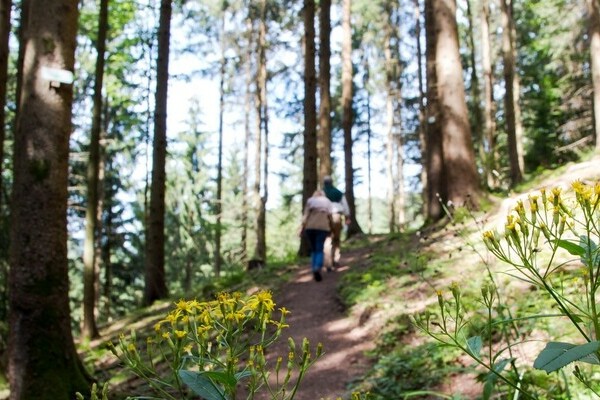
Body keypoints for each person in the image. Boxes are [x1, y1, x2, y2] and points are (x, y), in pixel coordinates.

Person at [300, 190, 333, 282]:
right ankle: (317, 267)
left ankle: (313, 268)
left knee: (313, 249)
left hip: (310, 227)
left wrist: (302, 228)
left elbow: (305, 216)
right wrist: (332, 227)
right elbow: (330, 217)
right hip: (323, 227)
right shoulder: (327, 202)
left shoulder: (310, 201)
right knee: (319, 248)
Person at [322, 175, 350, 269]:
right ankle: (336, 260)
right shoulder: (338, 192)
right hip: (336, 216)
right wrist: (347, 216)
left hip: (325, 217)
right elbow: (345, 206)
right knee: (336, 239)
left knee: (327, 239)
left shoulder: (322, 193)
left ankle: (327, 263)